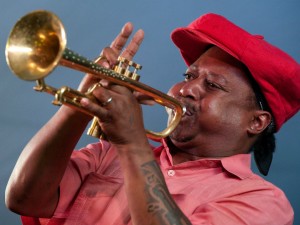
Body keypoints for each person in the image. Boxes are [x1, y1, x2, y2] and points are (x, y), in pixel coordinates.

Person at [5, 13, 299, 225]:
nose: (187, 89)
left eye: (213, 86)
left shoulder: (262, 201)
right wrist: (81, 103)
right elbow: (23, 198)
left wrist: (133, 144)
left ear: (256, 122)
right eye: (189, 76)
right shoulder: (107, 154)